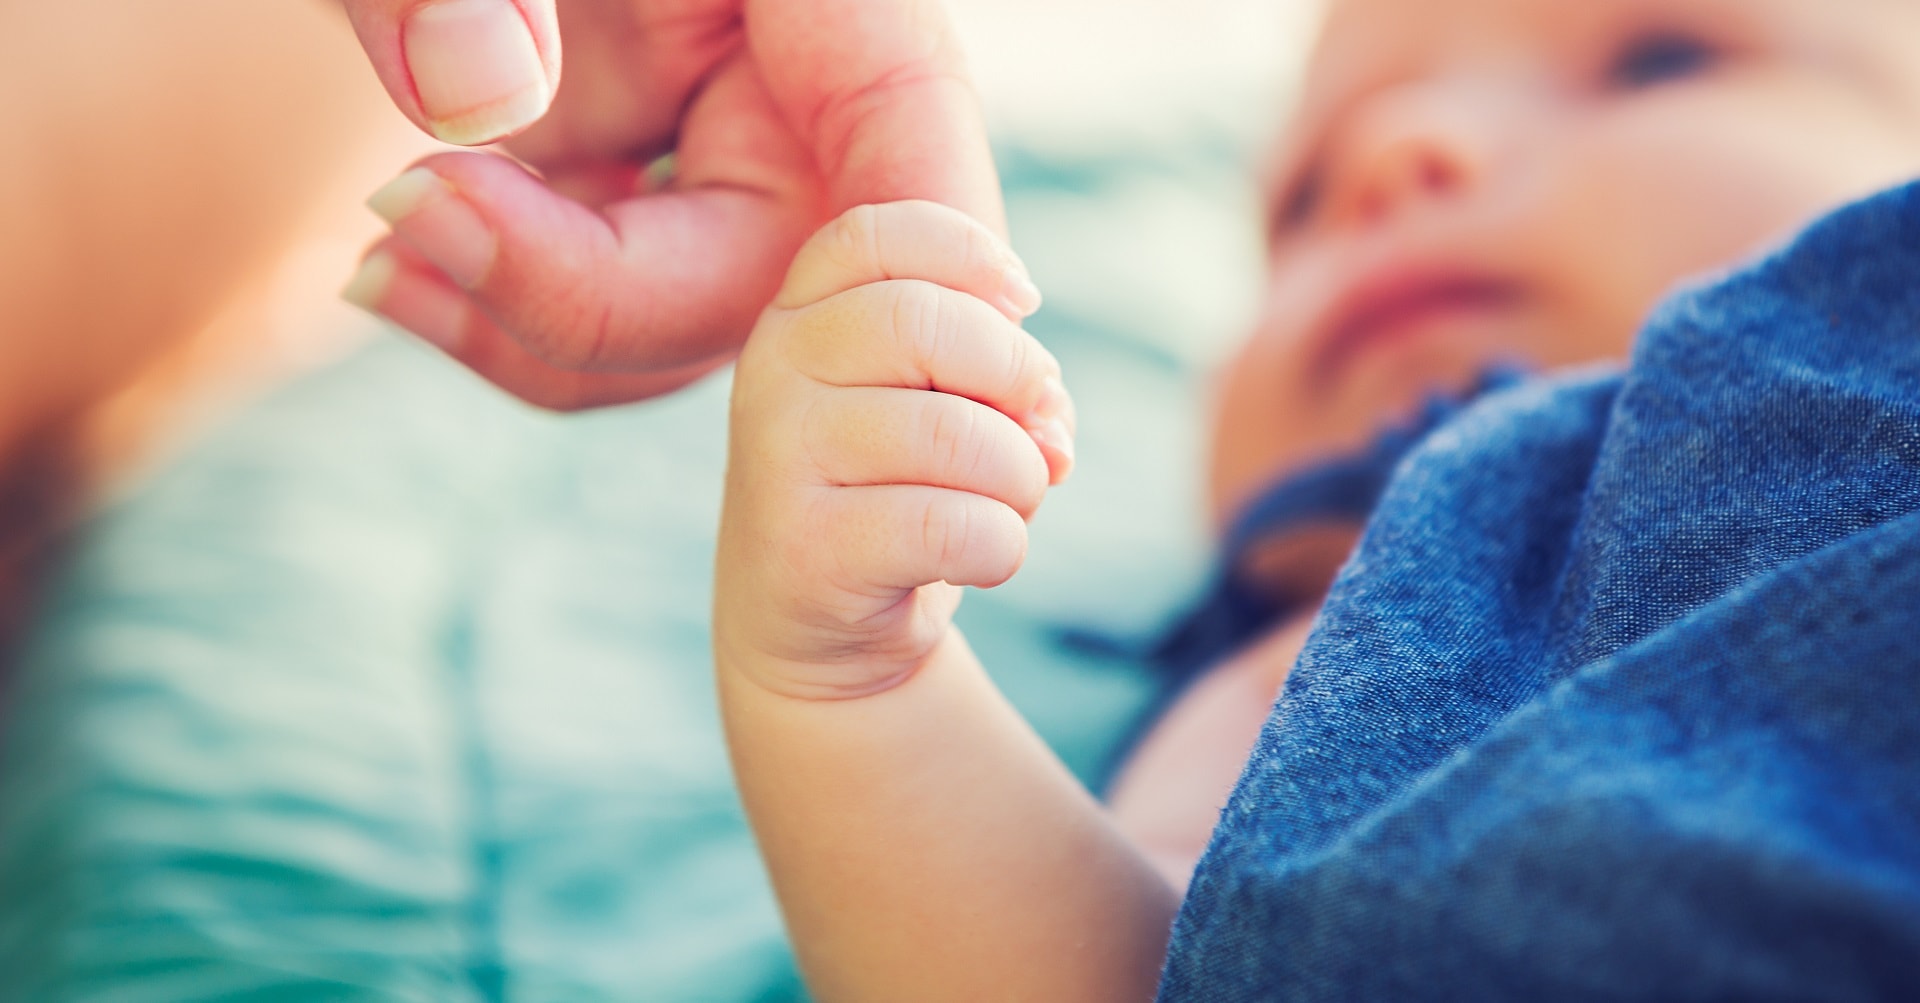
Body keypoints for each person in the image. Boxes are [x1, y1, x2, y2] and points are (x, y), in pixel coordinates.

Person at [704, 0, 1920, 998]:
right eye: (1302, 202)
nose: (1401, 150)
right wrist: (851, 680)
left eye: (1656, 58)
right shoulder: (1347, 634)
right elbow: (1138, 970)